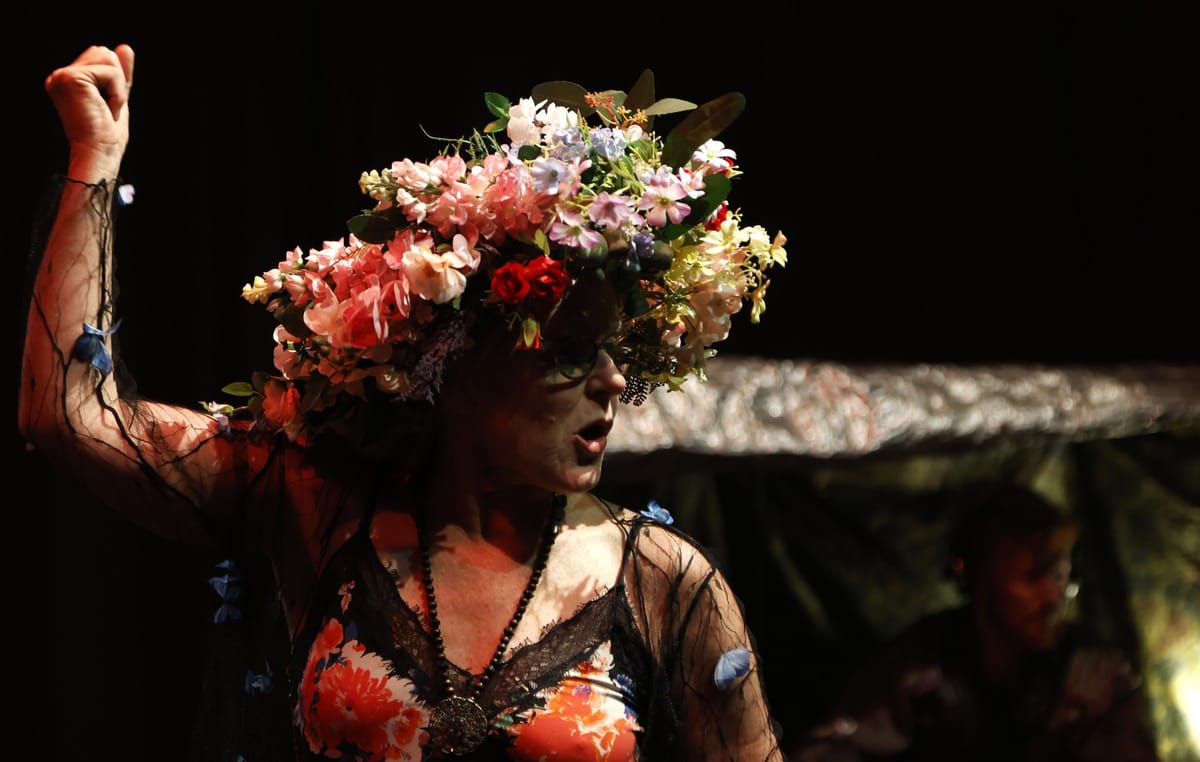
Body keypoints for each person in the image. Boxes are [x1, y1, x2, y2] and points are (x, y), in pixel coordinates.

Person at [20, 44, 789, 760]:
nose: (615, 380)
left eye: (619, 351)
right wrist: (95, 157)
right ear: (452, 359)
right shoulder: (318, 506)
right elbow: (73, 416)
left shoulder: (663, 581)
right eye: (571, 351)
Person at [791, 484, 1161, 761]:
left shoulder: (1092, 673)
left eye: (1062, 577)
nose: (1054, 597)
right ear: (978, 576)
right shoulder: (921, 669)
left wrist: (1080, 725)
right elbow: (829, 749)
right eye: (1033, 577)